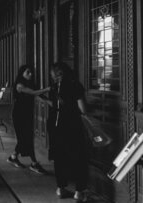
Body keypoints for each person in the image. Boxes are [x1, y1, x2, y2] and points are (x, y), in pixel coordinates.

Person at [44, 62, 88, 202]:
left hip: (55, 125)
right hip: (72, 126)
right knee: (78, 158)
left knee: (59, 157)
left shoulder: (54, 87)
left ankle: (61, 188)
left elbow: (53, 104)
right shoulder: (75, 85)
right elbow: (83, 109)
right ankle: (79, 192)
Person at [7, 65, 50, 174]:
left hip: (27, 114)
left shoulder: (30, 84)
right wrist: (47, 89)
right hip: (19, 114)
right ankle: (34, 163)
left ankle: (13, 157)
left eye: (31, 72)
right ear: (22, 73)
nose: (31, 74)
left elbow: (38, 94)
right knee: (25, 138)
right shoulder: (19, 85)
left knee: (25, 138)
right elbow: (34, 93)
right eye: (28, 72)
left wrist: (49, 102)